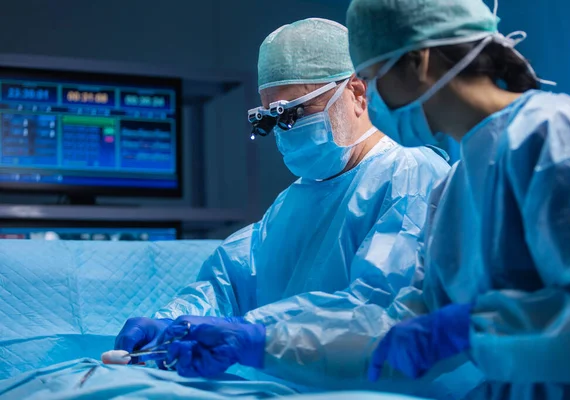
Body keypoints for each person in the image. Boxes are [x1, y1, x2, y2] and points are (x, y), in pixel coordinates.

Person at [114, 18, 453, 396]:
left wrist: (257, 337)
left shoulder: (411, 175)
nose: (283, 132)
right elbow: (230, 283)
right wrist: (171, 326)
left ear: (357, 94)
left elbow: (378, 313)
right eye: (270, 120)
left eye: (294, 113)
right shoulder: (293, 201)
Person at [346, 0, 570, 398]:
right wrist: (264, 341)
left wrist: (473, 329)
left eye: (371, 77)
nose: (372, 100)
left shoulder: (554, 134)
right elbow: (412, 320)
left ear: (418, 60)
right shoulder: (453, 188)